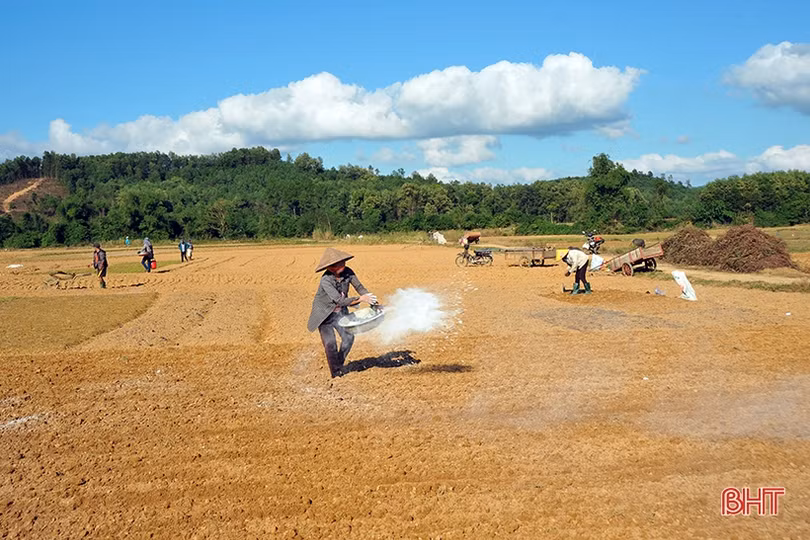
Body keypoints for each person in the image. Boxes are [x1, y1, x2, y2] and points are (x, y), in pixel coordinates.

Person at [307, 248, 377, 378]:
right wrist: (360, 299)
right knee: (330, 343)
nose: (344, 265)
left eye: (343, 262)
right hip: (324, 315)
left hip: (340, 313)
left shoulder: (348, 272)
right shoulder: (326, 280)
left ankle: (338, 363)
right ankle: (336, 373)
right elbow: (339, 300)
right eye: (340, 263)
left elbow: (360, 287)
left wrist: (372, 301)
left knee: (348, 338)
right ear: (331, 267)